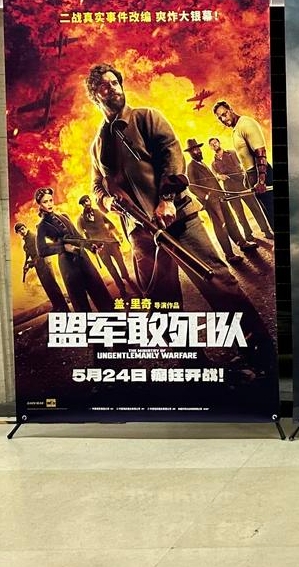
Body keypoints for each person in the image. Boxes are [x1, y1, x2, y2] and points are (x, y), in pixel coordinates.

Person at [86, 63, 275, 371]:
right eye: (105, 86)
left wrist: (167, 199)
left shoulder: (146, 118)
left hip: (178, 218)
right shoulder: (97, 147)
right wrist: (107, 201)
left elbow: (172, 155)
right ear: (95, 96)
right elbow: (96, 187)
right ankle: (194, 363)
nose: (114, 88)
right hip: (142, 234)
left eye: (116, 82)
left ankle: (260, 353)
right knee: (162, 305)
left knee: (219, 283)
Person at [34, 187, 113, 313]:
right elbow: (41, 250)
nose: (49, 204)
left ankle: (116, 324)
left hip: (83, 257)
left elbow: (78, 236)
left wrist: (91, 246)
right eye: (45, 202)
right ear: (40, 204)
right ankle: (88, 330)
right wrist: (63, 247)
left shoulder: (63, 216)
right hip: (68, 265)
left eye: (50, 200)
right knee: (80, 301)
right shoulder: (42, 226)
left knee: (100, 291)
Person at [183, 138, 258, 264]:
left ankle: (242, 243)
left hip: (221, 198)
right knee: (221, 228)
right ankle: (229, 255)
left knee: (231, 221)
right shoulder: (191, 167)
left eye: (198, 148)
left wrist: (222, 193)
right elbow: (192, 186)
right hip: (212, 203)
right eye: (194, 150)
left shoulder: (202, 163)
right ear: (190, 153)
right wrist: (206, 198)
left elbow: (211, 181)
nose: (197, 151)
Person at [212, 100, 275, 227]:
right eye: (220, 118)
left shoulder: (246, 124)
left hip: (261, 174)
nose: (223, 119)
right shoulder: (236, 129)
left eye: (224, 114)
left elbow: (260, 152)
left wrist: (261, 180)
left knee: (273, 210)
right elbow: (246, 158)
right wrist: (248, 176)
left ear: (230, 109)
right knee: (268, 213)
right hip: (253, 175)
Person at [209, 136, 274, 241]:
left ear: (219, 143)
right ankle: (248, 234)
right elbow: (215, 176)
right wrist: (219, 176)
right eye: (212, 144)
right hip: (229, 190)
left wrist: (243, 172)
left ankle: (266, 231)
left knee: (255, 208)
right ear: (210, 147)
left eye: (215, 142)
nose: (214, 145)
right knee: (239, 214)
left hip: (243, 185)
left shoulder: (232, 152)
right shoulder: (213, 163)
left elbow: (243, 164)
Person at [77, 194, 133, 298]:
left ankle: (127, 277)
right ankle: (121, 288)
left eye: (87, 201)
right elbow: (82, 237)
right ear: (82, 205)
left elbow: (110, 224)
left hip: (111, 242)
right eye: (84, 203)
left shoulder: (98, 212)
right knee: (111, 268)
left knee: (120, 261)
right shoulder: (80, 220)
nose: (87, 204)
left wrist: (118, 235)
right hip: (100, 248)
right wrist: (91, 246)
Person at [15, 221, 69, 312]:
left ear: (25, 227)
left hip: (44, 263)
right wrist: (26, 265)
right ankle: (56, 306)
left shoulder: (33, 237)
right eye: (19, 231)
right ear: (18, 233)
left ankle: (64, 307)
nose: (22, 231)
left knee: (52, 285)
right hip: (39, 265)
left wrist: (30, 264)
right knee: (47, 287)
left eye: (22, 229)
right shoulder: (26, 242)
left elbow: (38, 254)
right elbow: (29, 255)